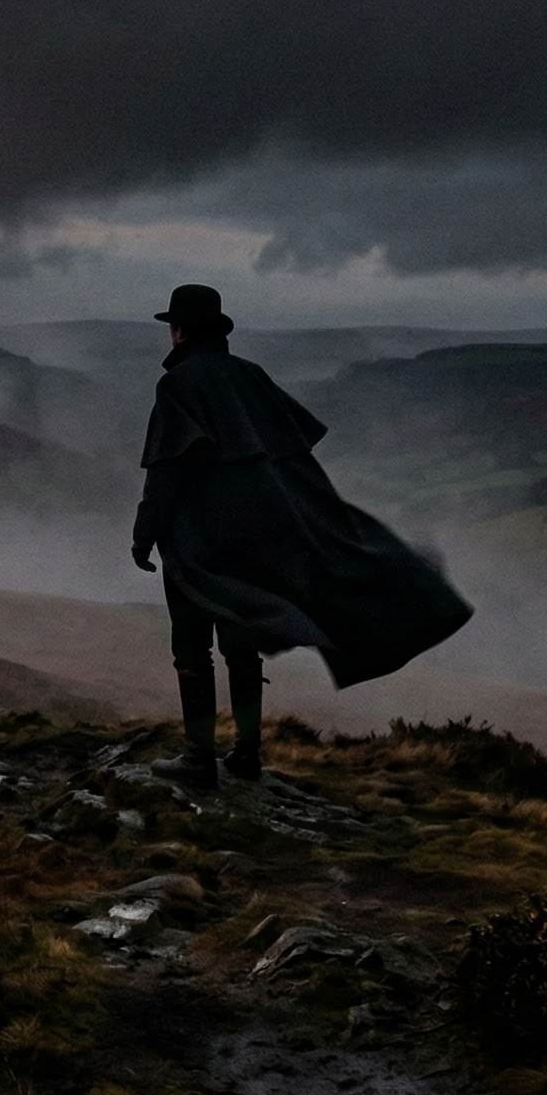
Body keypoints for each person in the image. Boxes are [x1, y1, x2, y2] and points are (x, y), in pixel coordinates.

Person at [131, 285, 473, 788]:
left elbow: (165, 472)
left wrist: (144, 536)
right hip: (253, 542)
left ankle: (198, 760)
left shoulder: (179, 385)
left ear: (178, 331)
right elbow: (291, 459)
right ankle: (247, 755)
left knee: (191, 651)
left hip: (199, 546)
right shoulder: (249, 377)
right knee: (240, 646)